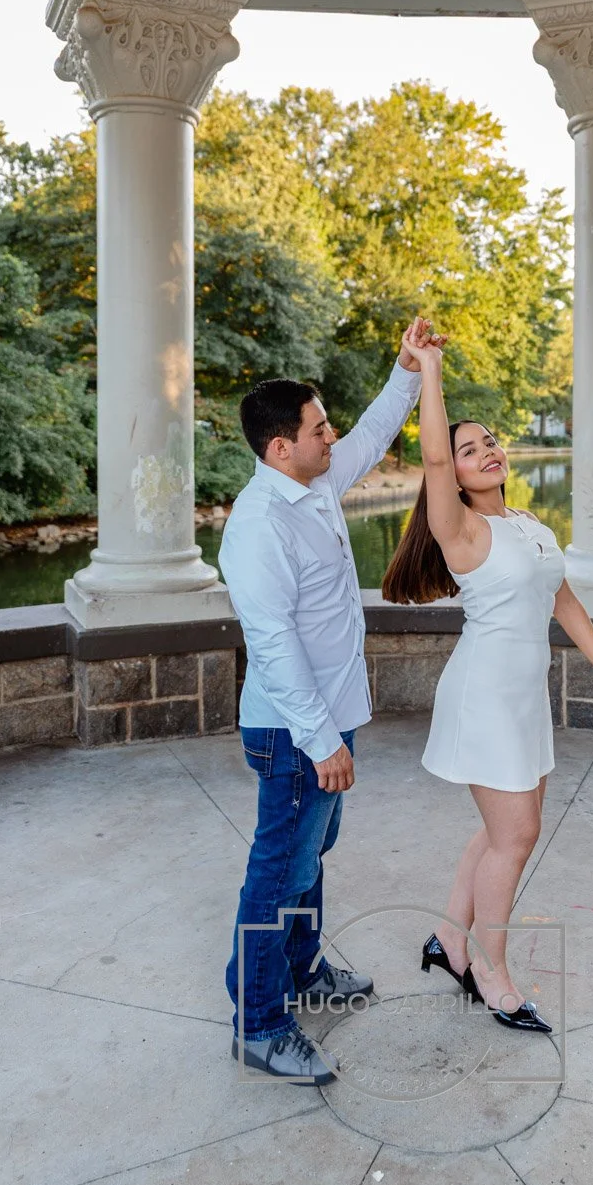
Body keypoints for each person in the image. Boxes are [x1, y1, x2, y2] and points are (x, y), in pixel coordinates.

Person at [382, 325, 593, 1032]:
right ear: (454, 474)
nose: (486, 451)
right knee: (517, 835)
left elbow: (562, 598)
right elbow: (431, 454)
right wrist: (428, 369)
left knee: (501, 831)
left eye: (491, 441)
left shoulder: (527, 524)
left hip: (523, 699)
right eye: (470, 449)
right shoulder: (459, 530)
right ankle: (490, 971)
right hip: (483, 697)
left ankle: (450, 938)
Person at [219, 318, 442, 1084]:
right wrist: (320, 742)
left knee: (311, 858)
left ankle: (304, 971)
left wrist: (408, 369)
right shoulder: (258, 526)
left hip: (327, 720)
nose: (332, 434)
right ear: (282, 447)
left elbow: (377, 431)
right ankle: (259, 1021)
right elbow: (273, 648)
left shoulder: (313, 484)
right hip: (291, 731)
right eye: (319, 428)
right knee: (278, 872)